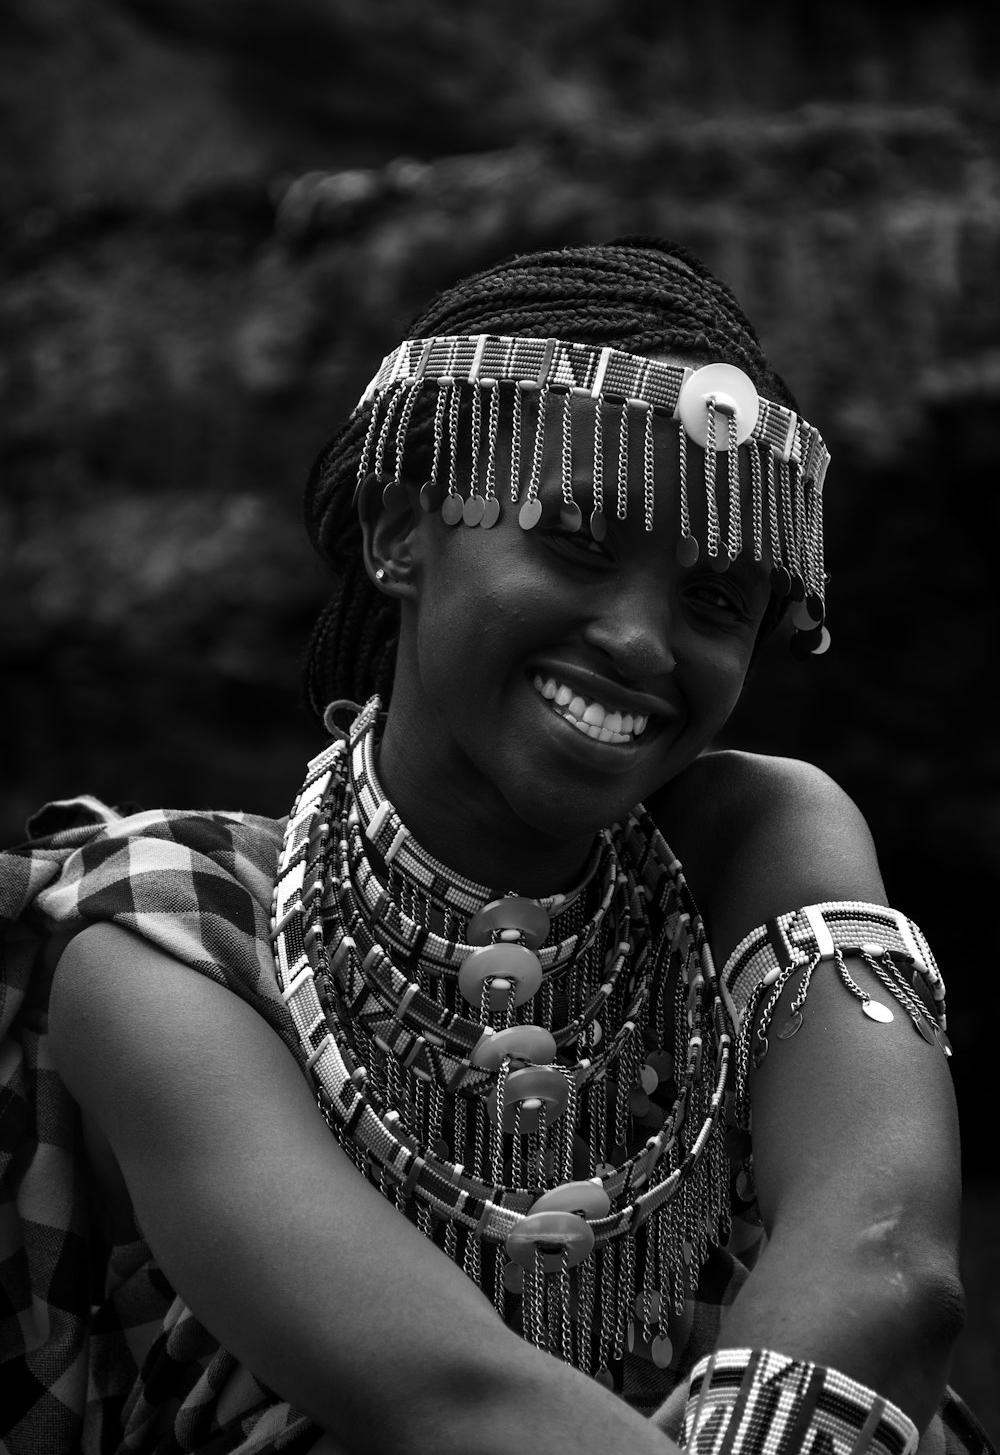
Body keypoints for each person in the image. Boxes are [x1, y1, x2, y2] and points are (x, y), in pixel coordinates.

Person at [1, 238, 992, 1455]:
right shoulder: (166, 937)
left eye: (716, 601)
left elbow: (890, 1266)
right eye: (576, 541)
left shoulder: (755, 845)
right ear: (400, 530)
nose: (640, 639)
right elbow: (447, 1402)